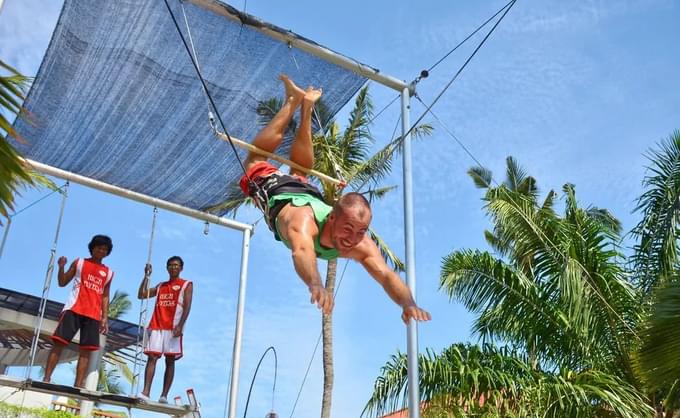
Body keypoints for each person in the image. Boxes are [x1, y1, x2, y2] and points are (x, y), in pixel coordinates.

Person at [239, 75, 430, 324]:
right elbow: (302, 250)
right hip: (279, 192)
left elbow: (386, 275)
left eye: (361, 232)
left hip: (307, 192)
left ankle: (306, 107)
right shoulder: (303, 223)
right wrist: (316, 284)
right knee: (255, 159)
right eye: (348, 229)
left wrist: (408, 303)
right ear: (331, 217)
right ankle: (293, 102)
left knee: (300, 172)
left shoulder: (360, 244)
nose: (352, 240)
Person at [43, 235, 114, 387]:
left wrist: (104, 318)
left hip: (93, 315)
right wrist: (61, 266)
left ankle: (78, 384)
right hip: (74, 309)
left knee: (86, 351)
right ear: (92, 248)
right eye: (99, 247)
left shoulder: (108, 272)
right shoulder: (80, 262)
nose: (101, 251)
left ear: (107, 252)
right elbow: (62, 282)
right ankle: (47, 378)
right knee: (59, 344)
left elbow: (105, 296)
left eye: (104, 249)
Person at [137, 256, 193, 404]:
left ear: (181, 268)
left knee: (170, 360)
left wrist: (181, 325)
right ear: (167, 268)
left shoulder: (186, 284)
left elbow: (187, 306)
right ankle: (146, 392)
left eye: (176, 265)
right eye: (170, 265)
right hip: (157, 325)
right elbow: (141, 295)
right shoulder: (161, 285)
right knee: (152, 358)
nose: (173, 267)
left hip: (173, 328)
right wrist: (146, 276)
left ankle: (164, 395)